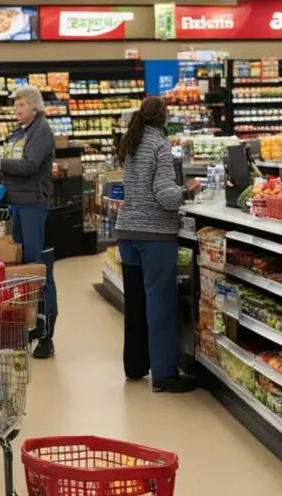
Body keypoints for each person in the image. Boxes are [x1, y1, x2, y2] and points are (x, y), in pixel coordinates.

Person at [115, 97, 200, 393]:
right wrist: (188, 191)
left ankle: (136, 367)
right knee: (160, 304)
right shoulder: (160, 144)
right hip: (154, 234)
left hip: (127, 230)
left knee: (136, 303)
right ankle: (164, 375)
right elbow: (164, 195)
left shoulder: (132, 141)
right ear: (163, 119)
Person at [0, 85, 57, 359]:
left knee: (36, 268)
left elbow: (29, 165)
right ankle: (24, 329)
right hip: (13, 204)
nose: (17, 109)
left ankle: (46, 334)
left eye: (22, 105)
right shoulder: (18, 133)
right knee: (19, 269)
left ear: (35, 107)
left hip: (32, 206)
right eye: (15, 105)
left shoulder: (41, 131)